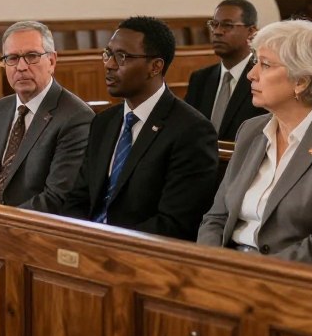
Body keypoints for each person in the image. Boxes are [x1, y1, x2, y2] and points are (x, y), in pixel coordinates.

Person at [197, 19, 312, 270]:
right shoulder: (251, 131)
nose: (251, 74)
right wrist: (209, 267)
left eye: (265, 65)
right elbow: (216, 218)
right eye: (255, 62)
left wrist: (246, 276)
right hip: (230, 272)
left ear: (301, 81)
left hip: (299, 283)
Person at [62, 16, 218, 240]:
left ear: (155, 67)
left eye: (122, 57)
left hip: (141, 255)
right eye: (108, 53)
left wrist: (106, 242)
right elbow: (78, 198)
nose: (109, 64)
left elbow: (175, 223)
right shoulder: (103, 122)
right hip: (88, 245)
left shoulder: (191, 131)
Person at [0, 21, 93, 212]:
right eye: (12, 58)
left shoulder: (75, 117)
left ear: (52, 61)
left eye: (32, 56)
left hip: (29, 230)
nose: (21, 67)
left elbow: (55, 198)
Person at [185, 0, 267, 141]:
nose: (217, 32)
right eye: (214, 24)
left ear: (251, 32)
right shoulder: (201, 78)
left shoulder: (262, 78)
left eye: (227, 25)